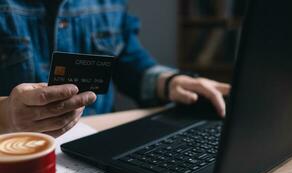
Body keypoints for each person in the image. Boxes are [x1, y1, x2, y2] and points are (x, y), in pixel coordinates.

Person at [0, 0, 230, 137]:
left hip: (93, 149)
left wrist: (170, 82)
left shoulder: (109, 3)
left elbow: (131, 65)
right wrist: (6, 115)